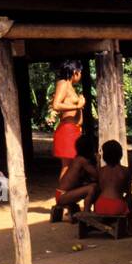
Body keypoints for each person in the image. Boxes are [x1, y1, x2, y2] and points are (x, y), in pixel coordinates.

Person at [49, 60, 86, 189]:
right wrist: (77, 105)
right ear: (75, 72)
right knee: (67, 167)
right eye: (80, 72)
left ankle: (68, 199)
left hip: (74, 130)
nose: (81, 75)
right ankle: (62, 201)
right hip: (67, 130)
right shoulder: (63, 83)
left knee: (73, 167)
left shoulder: (70, 86)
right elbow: (56, 105)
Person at [50, 132, 99, 222]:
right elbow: (97, 175)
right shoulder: (81, 160)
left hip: (65, 194)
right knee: (92, 187)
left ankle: (89, 211)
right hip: (62, 195)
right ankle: (86, 213)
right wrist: (98, 161)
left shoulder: (79, 159)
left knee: (94, 185)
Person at [88, 140, 132, 228]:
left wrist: (98, 162)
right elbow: (128, 191)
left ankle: (100, 221)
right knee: (131, 197)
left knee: (96, 190)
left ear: (104, 156)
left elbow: (100, 187)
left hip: (100, 206)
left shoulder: (101, 171)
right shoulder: (125, 170)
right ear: (120, 155)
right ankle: (130, 228)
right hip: (117, 207)